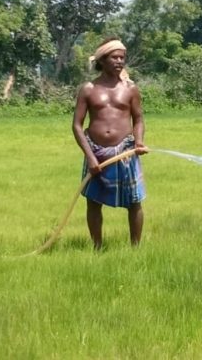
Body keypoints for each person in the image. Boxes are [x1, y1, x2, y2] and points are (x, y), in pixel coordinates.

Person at [73, 38, 148, 250]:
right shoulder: (88, 89)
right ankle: (97, 247)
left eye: (122, 57)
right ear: (102, 60)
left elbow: (139, 119)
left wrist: (139, 142)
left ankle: (136, 249)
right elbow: (77, 126)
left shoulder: (130, 89)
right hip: (95, 150)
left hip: (125, 150)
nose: (119, 61)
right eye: (114, 57)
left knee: (134, 201)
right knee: (93, 202)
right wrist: (90, 156)